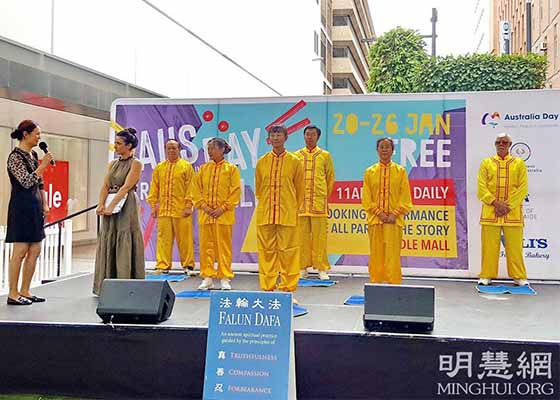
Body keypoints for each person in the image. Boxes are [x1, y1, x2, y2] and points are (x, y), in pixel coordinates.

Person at [5, 120, 53, 305]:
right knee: (20, 250)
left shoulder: (33, 154)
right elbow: (26, 181)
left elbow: (39, 182)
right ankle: (13, 293)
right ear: (25, 134)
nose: (39, 137)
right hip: (21, 206)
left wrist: (45, 203)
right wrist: (43, 165)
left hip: (35, 206)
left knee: (35, 249)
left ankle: (25, 290)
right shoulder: (14, 157)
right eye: (37, 134)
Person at [255, 125, 304, 302]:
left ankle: (288, 291)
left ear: (286, 137)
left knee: (289, 252)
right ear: (269, 138)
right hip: (266, 213)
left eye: (279, 135)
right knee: (266, 252)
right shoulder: (262, 162)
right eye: (272, 135)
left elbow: (300, 189)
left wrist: (291, 207)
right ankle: (268, 289)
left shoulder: (295, 161)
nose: (275, 138)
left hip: (287, 213)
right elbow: (259, 188)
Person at [93, 128, 145, 295]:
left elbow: (127, 187)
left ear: (128, 145)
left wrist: (111, 207)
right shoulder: (113, 164)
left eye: (118, 143)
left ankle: (126, 283)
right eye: (115, 143)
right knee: (109, 237)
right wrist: (101, 204)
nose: (115, 146)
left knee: (124, 236)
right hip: (111, 202)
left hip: (126, 205)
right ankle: (106, 283)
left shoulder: (136, 163)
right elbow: (105, 185)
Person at [477, 133, 529, 286]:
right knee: (489, 247)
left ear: (510, 144)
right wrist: (494, 203)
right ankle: (486, 275)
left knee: (515, 247)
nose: (501, 144)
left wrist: (507, 206)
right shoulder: (486, 163)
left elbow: (522, 188)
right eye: (498, 142)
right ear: (495, 144)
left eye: (504, 142)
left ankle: (519, 277)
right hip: (490, 212)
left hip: (512, 213)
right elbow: (481, 187)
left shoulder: (518, 163)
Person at [361, 137, 412, 284]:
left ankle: (393, 283)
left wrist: (394, 214)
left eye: (387, 147)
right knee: (376, 254)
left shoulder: (400, 171)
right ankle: (376, 282)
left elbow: (405, 197)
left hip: (394, 221)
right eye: (381, 147)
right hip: (375, 220)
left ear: (393, 151)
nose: (384, 150)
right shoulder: (369, 172)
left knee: (392, 254)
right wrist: (379, 213)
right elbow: (366, 198)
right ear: (377, 150)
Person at [192, 138, 241, 290]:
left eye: (212, 148)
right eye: (208, 149)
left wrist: (223, 208)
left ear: (221, 149)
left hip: (223, 216)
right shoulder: (204, 169)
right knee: (206, 247)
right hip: (206, 216)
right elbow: (195, 189)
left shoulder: (231, 169)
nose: (210, 152)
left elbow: (235, 192)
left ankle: (225, 277)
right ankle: (207, 277)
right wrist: (204, 206)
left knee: (223, 248)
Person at [147, 140, 196, 275]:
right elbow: (154, 188)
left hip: (181, 210)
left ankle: (188, 266)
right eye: (168, 148)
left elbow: (191, 188)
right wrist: (153, 205)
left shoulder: (186, 167)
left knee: (185, 239)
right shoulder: (159, 167)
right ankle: (163, 266)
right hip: (164, 210)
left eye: (174, 148)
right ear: (165, 150)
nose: (171, 151)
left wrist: (188, 205)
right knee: (163, 239)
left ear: (179, 149)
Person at [296, 125, 335, 280]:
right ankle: (301, 267)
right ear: (303, 136)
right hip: (301, 204)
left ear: (318, 137)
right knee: (301, 237)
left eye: (313, 134)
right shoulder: (296, 155)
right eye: (307, 134)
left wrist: (324, 196)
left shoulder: (325, 155)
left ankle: (321, 268)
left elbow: (330, 178)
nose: (309, 137)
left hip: (319, 202)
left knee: (320, 238)